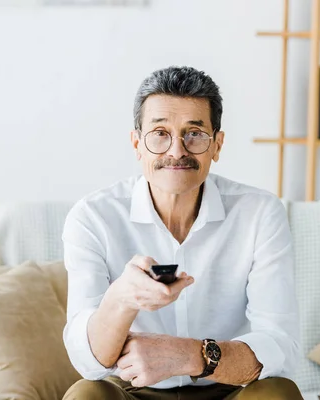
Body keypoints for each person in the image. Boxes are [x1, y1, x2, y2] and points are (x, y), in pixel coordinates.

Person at [62, 66, 303, 400]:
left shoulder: (259, 212)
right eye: (160, 133)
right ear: (137, 144)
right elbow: (88, 363)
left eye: (194, 133)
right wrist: (122, 298)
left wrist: (189, 355)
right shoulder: (93, 217)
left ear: (217, 145)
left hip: (227, 385)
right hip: (134, 389)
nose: (177, 151)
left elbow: (281, 347)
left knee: (279, 392)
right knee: (87, 394)